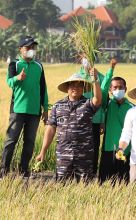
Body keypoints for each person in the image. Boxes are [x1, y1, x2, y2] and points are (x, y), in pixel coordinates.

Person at [36, 70, 102, 182]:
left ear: (83, 89)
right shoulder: (58, 106)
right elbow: (50, 129)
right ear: (67, 88)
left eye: (79, 85)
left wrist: (94, 79)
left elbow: (98, 99)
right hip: (63, 154)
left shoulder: (87, 104)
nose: (75, 88)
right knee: (61, 184)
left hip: (84, 154)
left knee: (84, 185)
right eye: (72, 85)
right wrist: (43, 151)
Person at [1, 36, 48, 178]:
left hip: (34, 111)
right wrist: (17, 78)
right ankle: (4, 169)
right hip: (18, 110)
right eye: (27, 47)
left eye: (33, 47)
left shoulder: (38, 66)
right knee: (11, 140)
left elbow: (43, 88)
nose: (30, 50)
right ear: (20, 49)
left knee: (29, 142)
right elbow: (9, 82)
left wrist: (45, 108)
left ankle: (24, 169)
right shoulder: (14, 64)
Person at [98, 59, 134, 184]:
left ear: (125, 89)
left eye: (121, 87)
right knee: (104, 183)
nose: (118, 89)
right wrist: (111, 69)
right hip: (108, 149)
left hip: (126, 150)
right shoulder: (106, 105)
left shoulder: (132, 107)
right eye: (115, 87)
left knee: (123, 182)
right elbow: (102, 90)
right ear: (110, 89)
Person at [79, 55, 106, 175]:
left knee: (94, 147)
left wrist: (102, 121)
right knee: (80, 146)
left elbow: (104, 102)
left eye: (88, 57)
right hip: (80, 118)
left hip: (95, 119)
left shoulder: (100, 77)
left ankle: (93, 172)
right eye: (84, 57)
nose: (86, 60)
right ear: (80, 59)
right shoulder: (77, 76)